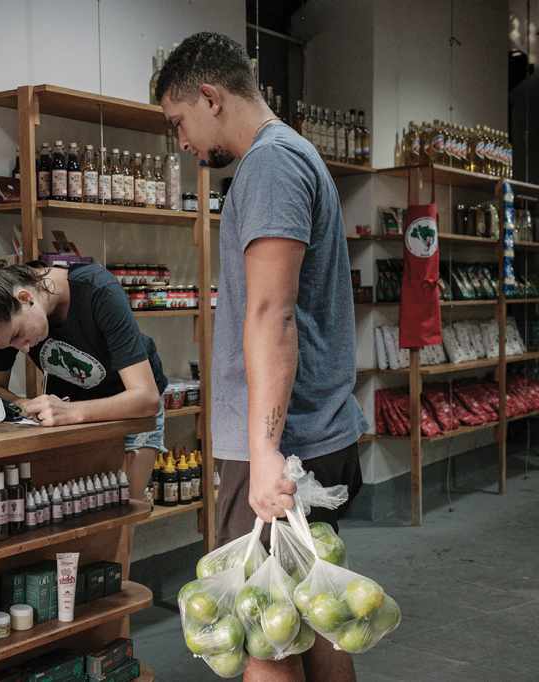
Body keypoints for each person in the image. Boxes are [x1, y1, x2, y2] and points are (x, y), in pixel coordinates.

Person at [156, 33, 368, 682]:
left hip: (279, 446)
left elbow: (271, 316)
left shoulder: (272, 165)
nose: (182, 143)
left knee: (262, 630)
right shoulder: (292, 157)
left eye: (179, 122)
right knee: (311, 611)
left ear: (211, 98)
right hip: (312, 429)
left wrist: (266, 451)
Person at [0, 257, 167, 500]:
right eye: (11, 343)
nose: (24, 349)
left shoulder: (98, 290)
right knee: (73, 511)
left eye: (18, 335)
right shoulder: (1, 316)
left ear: (25, 298)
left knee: (123, 509)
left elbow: (146, 398)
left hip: (129, 409)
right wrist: (24, 404)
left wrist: (72, 412)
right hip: (71, 416)